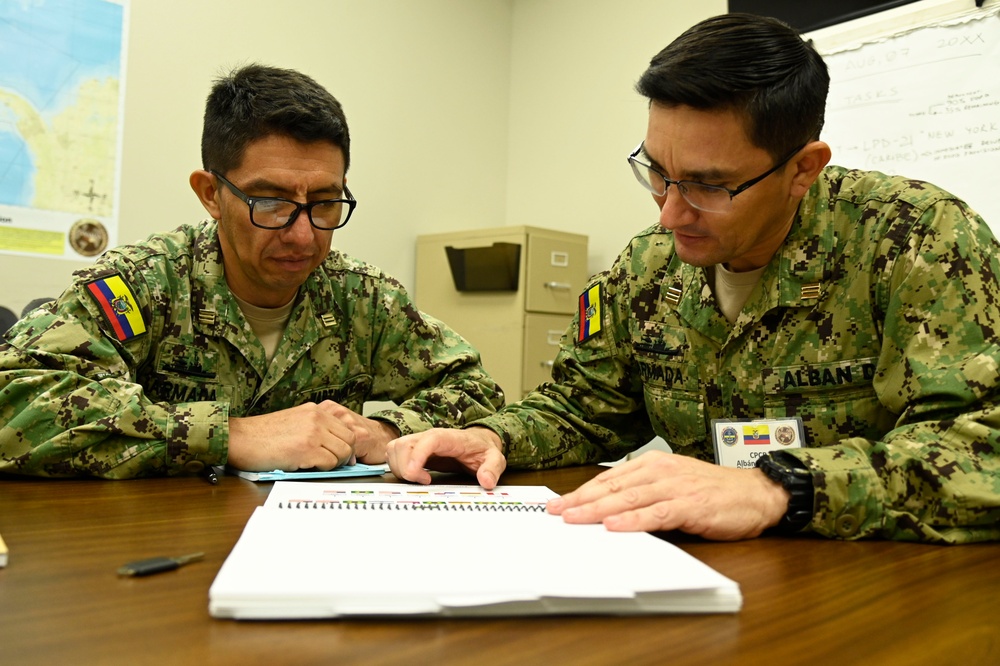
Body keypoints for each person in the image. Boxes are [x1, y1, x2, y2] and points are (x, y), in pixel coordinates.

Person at [386, 14, 1000, 543]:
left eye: (709, 185)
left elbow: (984, 449)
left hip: (874, 584)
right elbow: (581, 410)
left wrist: (776, 490)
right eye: (656, 172)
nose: (670, 212)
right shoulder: (646, 268)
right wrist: (491, 436)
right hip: (698, 576)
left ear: (802, 170)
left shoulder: (916, 240)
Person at [0, 64, 503, 479]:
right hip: (162, 548)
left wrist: (387, 430)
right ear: (211, 194)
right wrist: (230, 434)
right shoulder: (143, 285)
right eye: (270, 202)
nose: (304, 236)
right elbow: (14, 400)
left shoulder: (364, 298)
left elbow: (478, 392)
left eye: (325, 203)